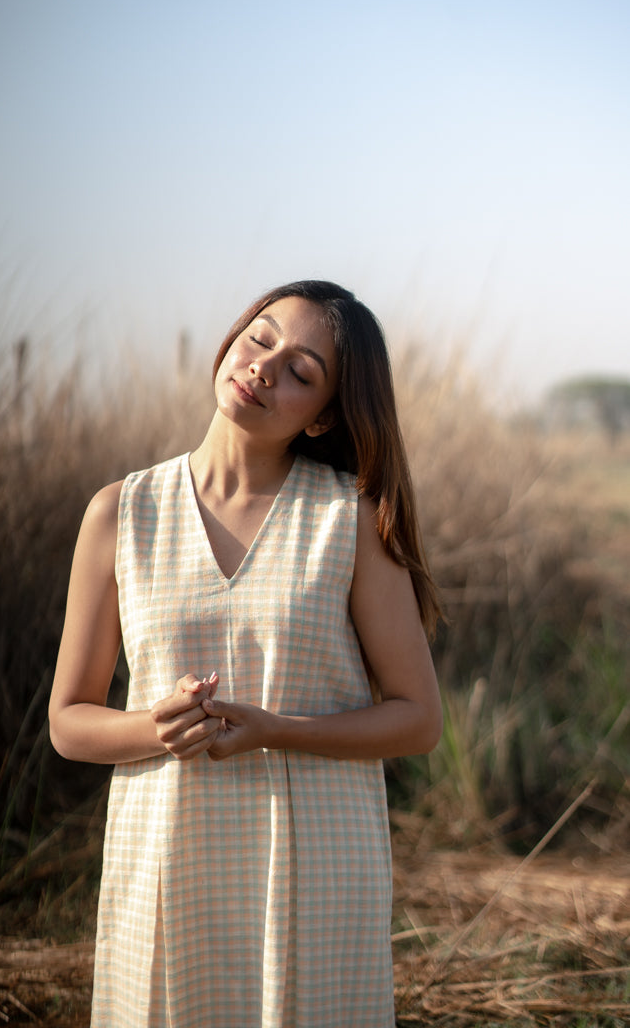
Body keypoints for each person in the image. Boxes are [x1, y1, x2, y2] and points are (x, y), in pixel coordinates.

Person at [49, 279, 443, 1028]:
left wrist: (278, 729)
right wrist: (156, 727)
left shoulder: (347, 519)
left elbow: (418, 720)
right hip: (166, 860)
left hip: (316, 866)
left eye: (301, 371)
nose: (265, 367)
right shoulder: (120, 513)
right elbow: (68, 721)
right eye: (260, 338)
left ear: (324, 414)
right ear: (232, 340)